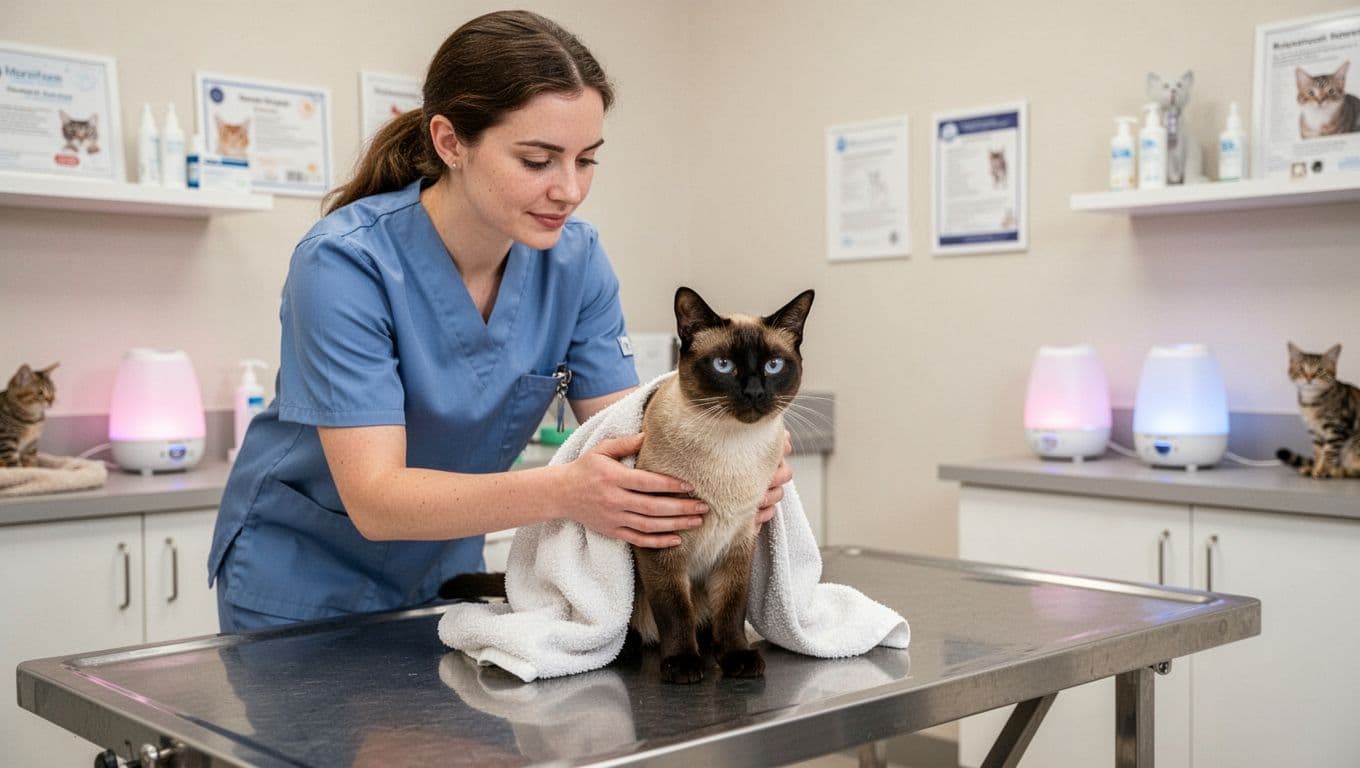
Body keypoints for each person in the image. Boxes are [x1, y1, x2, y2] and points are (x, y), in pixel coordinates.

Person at [208, 10, 792, 632]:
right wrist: (567, 491)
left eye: (586, 160)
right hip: (303, 581)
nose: (569, 189)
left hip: (449, 572)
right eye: (538, 161)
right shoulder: (344, 264)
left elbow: (631, 438)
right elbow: (375, 500)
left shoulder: (576, 260)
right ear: (450, 142)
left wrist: (733, 453)